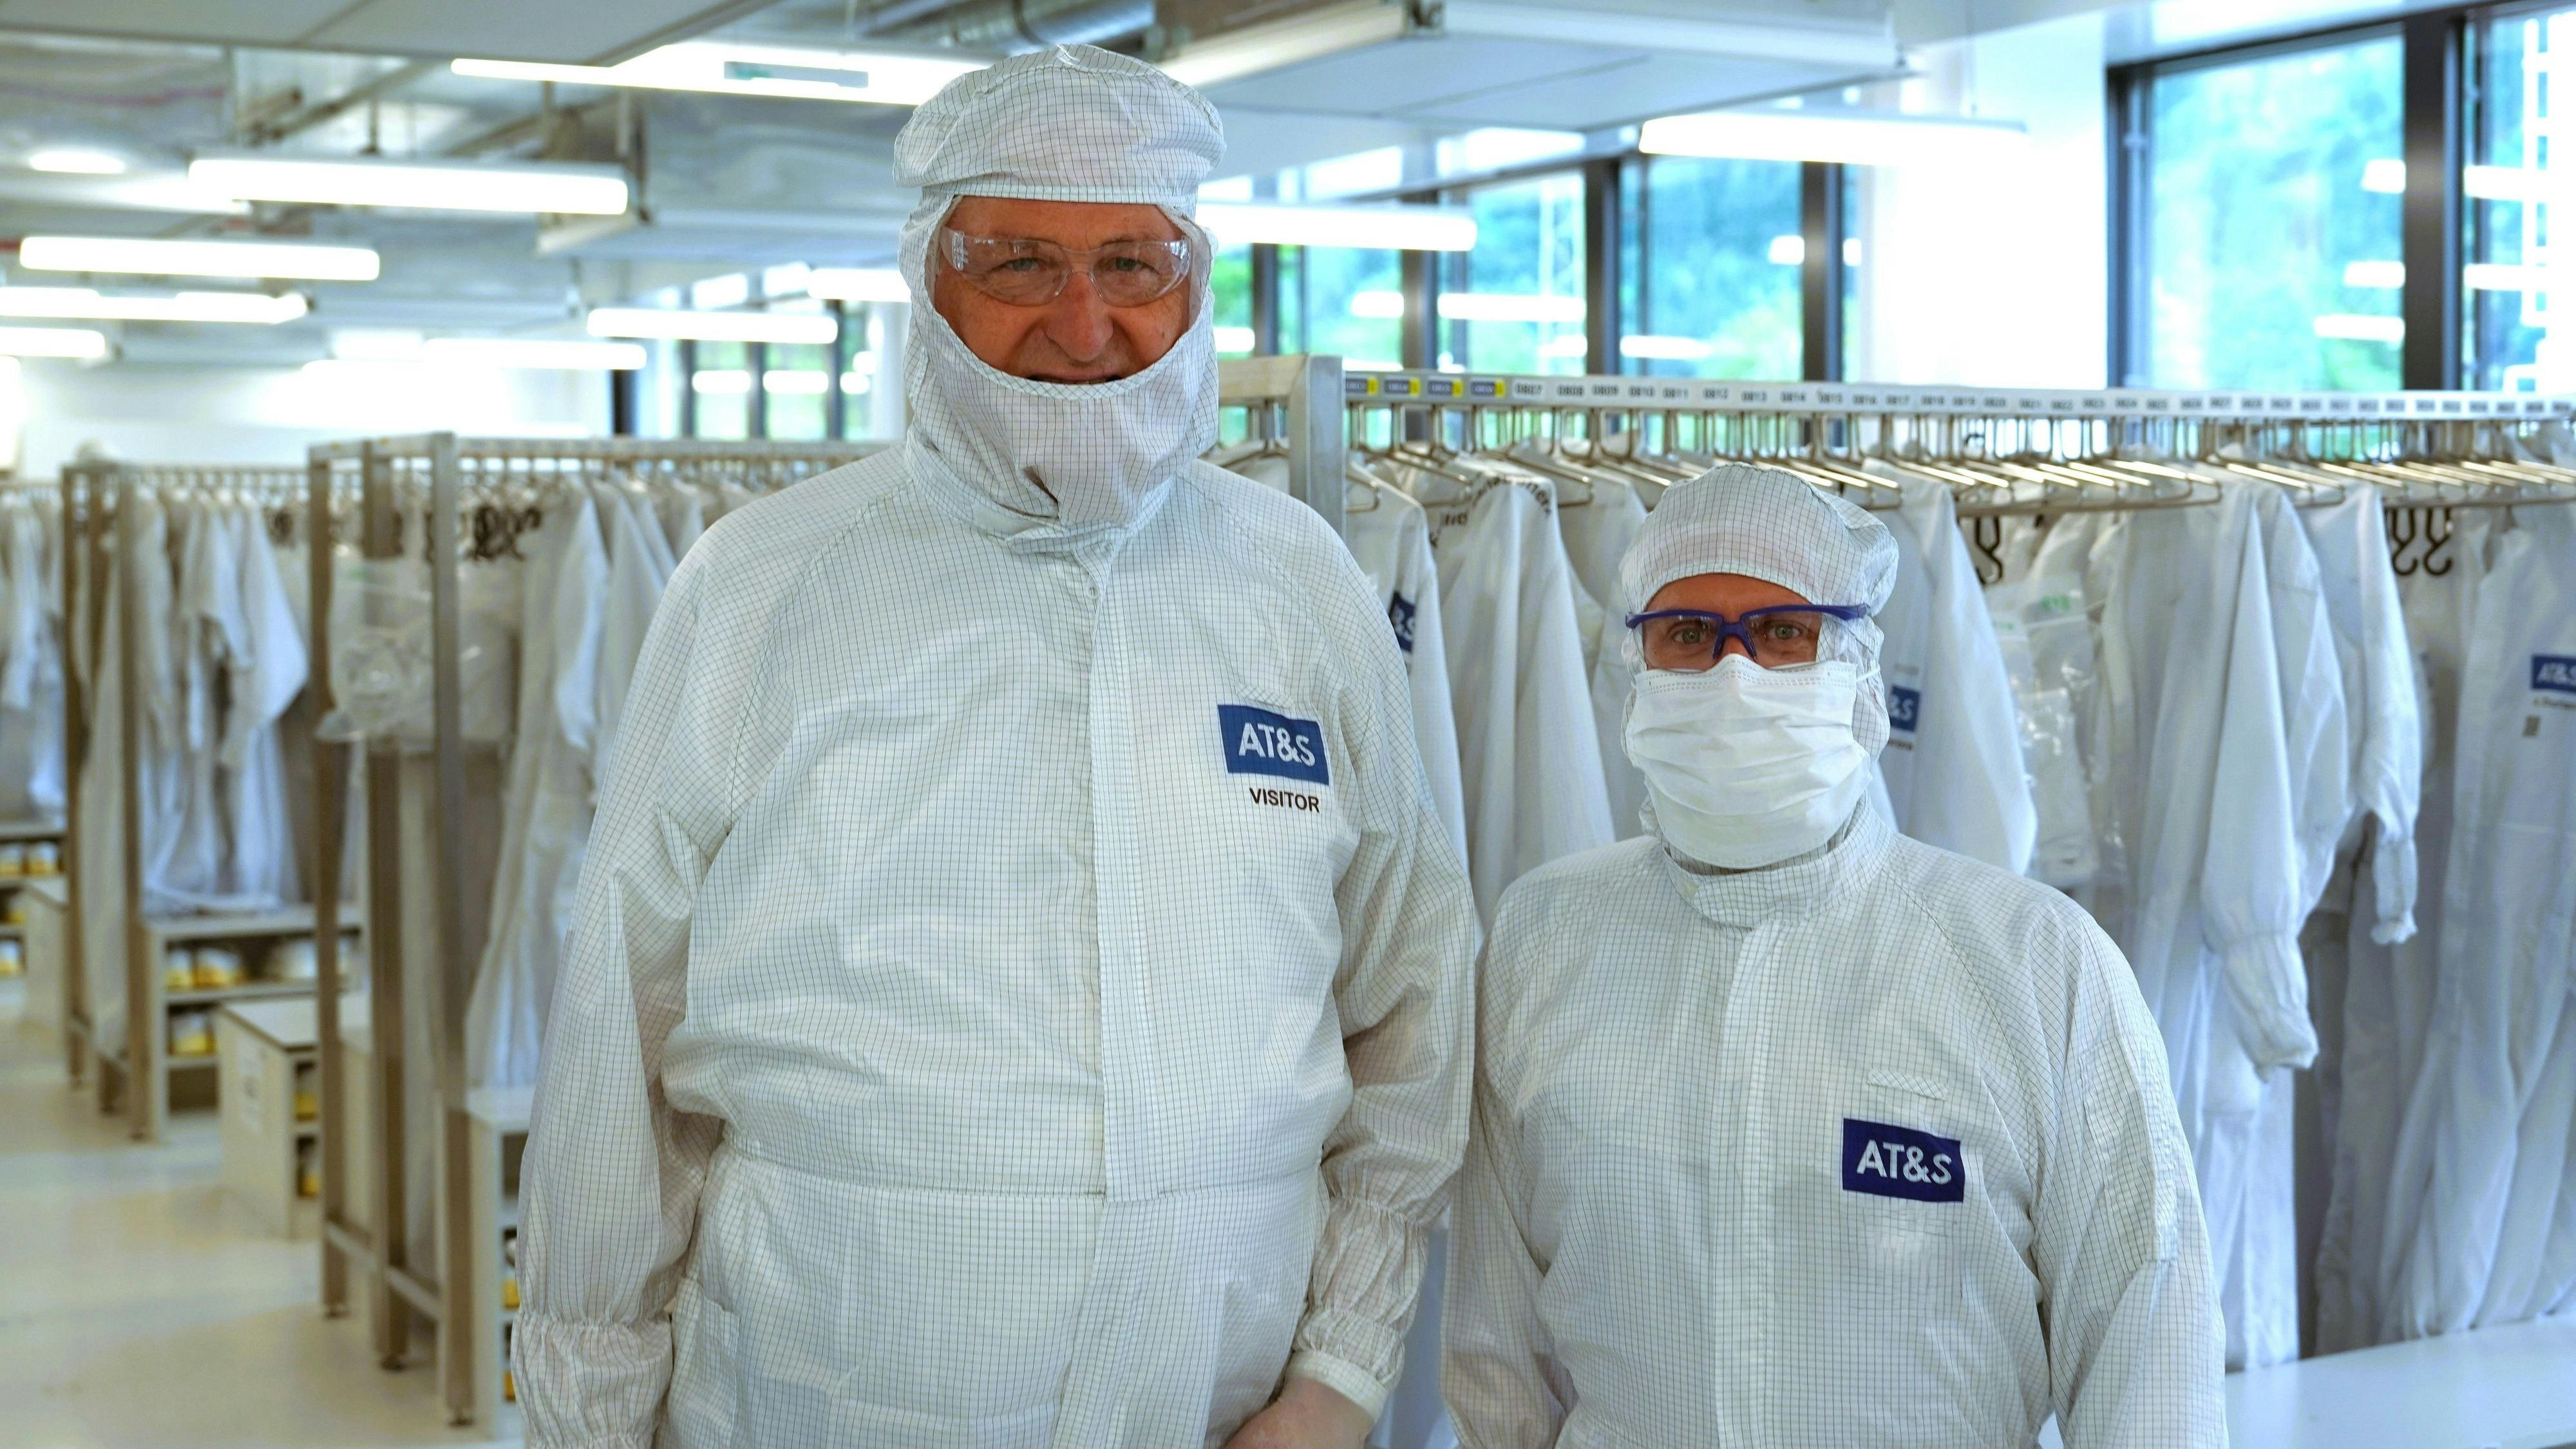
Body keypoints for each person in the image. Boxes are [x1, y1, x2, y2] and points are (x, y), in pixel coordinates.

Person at [513, 44, 1475, 1449]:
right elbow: (618, 1035)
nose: (1084, 325)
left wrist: (1340, 1368)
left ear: (1197, 284)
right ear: (926, 279)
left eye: (1133, 265)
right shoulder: (763, 585)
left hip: (1221, 1389)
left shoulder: (1296, 583)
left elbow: (1412, 986)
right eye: (1019, 262)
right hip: (828, 1386)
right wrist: (587, 1422)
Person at [1441, 464, 2226, 1448]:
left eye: (1783, 632)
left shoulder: (2033, 964)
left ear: (1858, 667)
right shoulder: (1543, 943)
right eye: (1689, 635)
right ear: (1635, 670)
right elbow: (1496, 1347)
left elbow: (2149, 1357)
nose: (1735, 675)